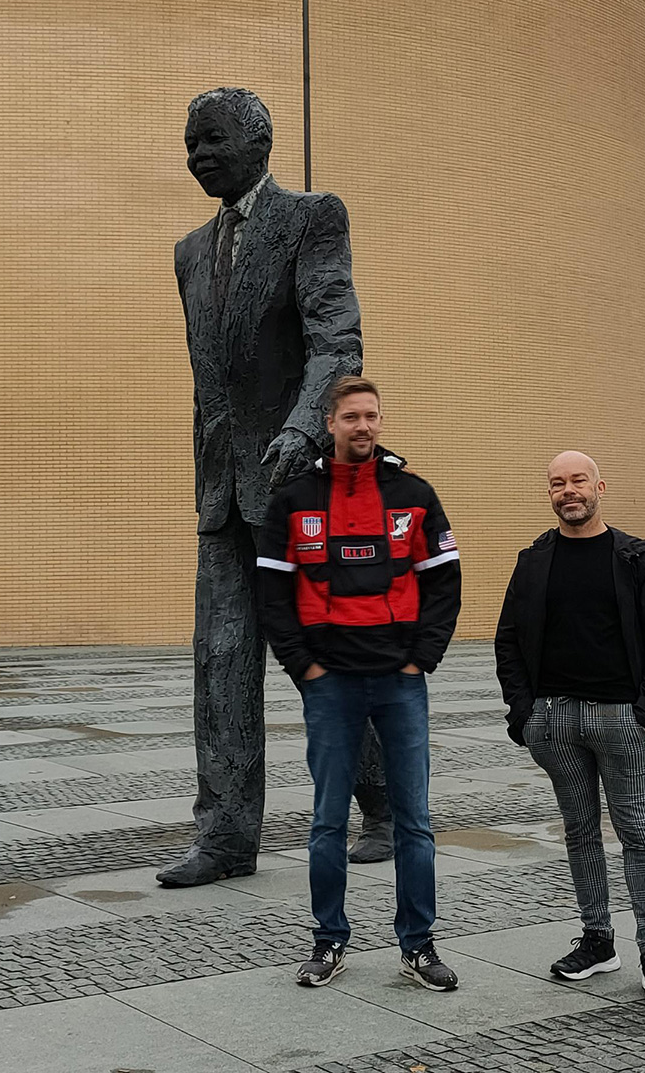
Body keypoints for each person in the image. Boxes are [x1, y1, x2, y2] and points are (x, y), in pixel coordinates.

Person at [159, 88, 390, 888]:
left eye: (211, 140)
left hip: (293, 478)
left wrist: (303, 427)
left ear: (258, 143)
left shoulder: (311, 218)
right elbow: (210, 381)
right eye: (190, 144)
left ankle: (386, 803)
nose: (198, 156)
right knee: (219, 658)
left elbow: (337, 340)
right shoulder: (189, 252)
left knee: (315, 654)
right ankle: (225, 837)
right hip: (222, 485)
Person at [257, 376, 462, 989]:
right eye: (351, 416)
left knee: (414, 821)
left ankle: (418, 946)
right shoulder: (294, 498)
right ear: (331, 423)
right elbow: (271, 593)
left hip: (400, 682)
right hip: (330, 685)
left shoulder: (415, 494)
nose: (363, 425)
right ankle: (327, 943)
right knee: (327, 822)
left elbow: (445, 583)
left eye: (371, 415)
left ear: (380, 421)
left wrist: (420, 659)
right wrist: (304, 666)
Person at [495, 450, 645, 1003]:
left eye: (578, 480)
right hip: (554, 720)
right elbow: (508, 639)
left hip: (622, 718)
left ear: (600, 487)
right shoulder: (534, 561)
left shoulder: (635, 558)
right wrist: (524, 714)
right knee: (579, 833)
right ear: (550, 493)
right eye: (558, 483)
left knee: (637, 834)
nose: (568, 490)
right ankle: (598, 941)